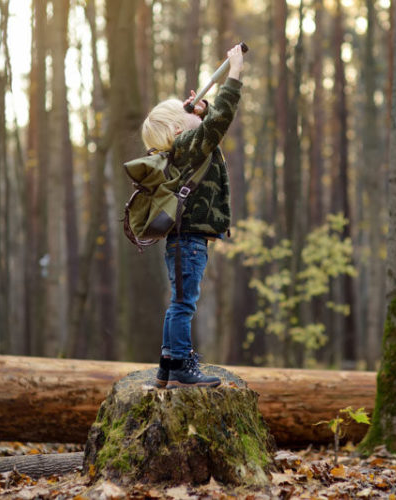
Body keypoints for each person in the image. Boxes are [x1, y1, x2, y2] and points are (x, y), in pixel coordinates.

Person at [141, 44, 244, 388]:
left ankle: (167, 367)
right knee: (184, 305)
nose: (195, 114)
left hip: (185, 240)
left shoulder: (182, 149)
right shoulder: (187, 145)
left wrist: (202, 109)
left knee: (179, 303)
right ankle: (183, 367)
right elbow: (220, 121)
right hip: (189, 241)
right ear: (177, 130)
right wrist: (235, 73)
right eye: (186, 113)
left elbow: (210, 126)